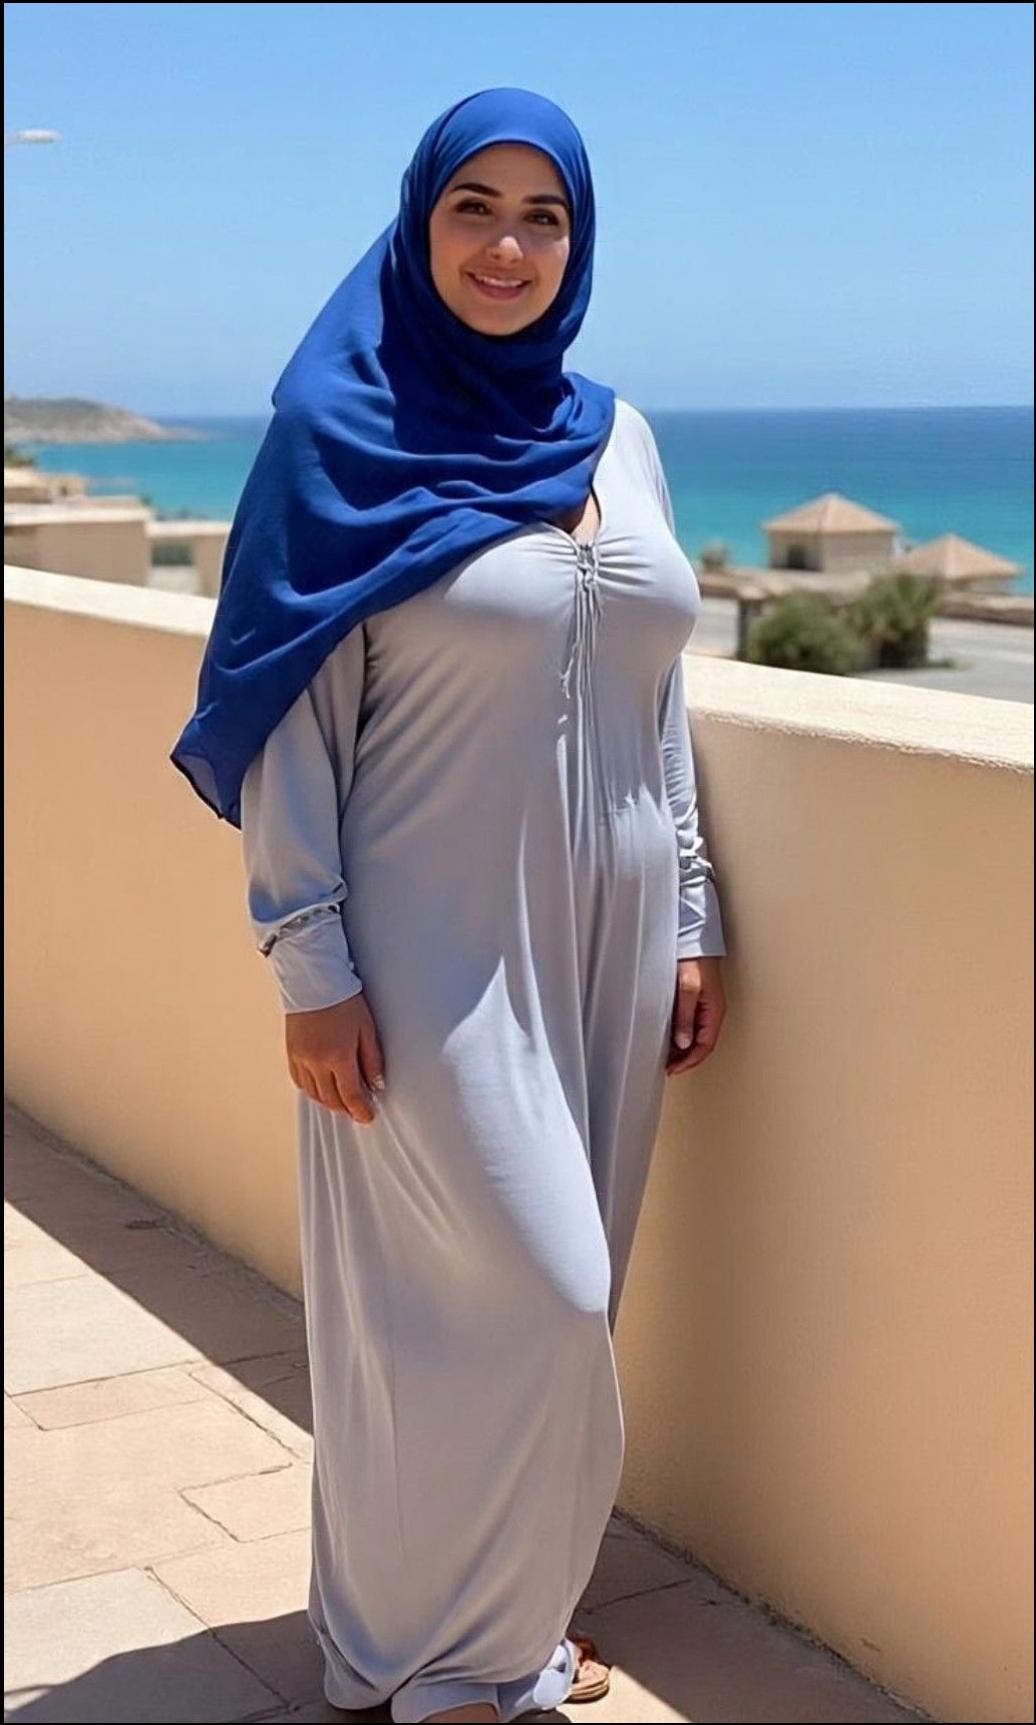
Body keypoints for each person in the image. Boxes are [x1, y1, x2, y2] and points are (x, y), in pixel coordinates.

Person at [170, 86, 727, 1725]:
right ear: (419, 227)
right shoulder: (341, 436)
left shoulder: (617, 433)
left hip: (615, 938)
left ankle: (439, 1633)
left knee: (548, 1302)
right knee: (537, 1298)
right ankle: (462, 1670)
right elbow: (283, 712)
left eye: (543, 215)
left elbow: (655, 697)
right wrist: (307, 956)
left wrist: (692, 908)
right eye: (473, 207)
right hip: (429, 947)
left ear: (581, 240)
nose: (508, 243)